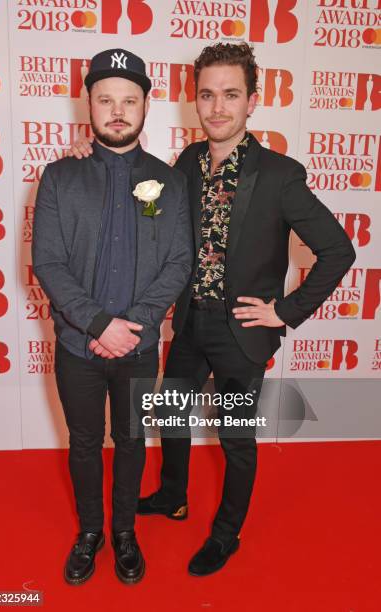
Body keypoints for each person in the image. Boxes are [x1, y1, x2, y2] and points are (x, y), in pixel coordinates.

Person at [69, 42, 356, 577]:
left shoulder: (280, 175)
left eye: (231, 94)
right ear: (193, 100)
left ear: (253, 100)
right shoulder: (187, 163)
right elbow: (144, 207)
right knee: (171, 416)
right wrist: (92, 158)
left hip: (243, 332)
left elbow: (339, 250)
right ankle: (173, 495)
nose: (218, 107)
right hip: (190, 321)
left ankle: (227, 534)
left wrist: (286, 312)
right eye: (207, 95)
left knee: (234, 438)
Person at [32, 48, 192, 585]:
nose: (118, 111)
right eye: (106, 100)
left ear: (146, 106)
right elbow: (48, 262)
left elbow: (179, 263)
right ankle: (90, 531)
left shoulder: (168, 181)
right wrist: (99, 325)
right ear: (89, 105)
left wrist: (132, 327)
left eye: (129, 100)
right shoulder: (58, 176)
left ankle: (124, 531)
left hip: (140, 348)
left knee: (130, 441)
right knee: (82, 443)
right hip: (78, 348)